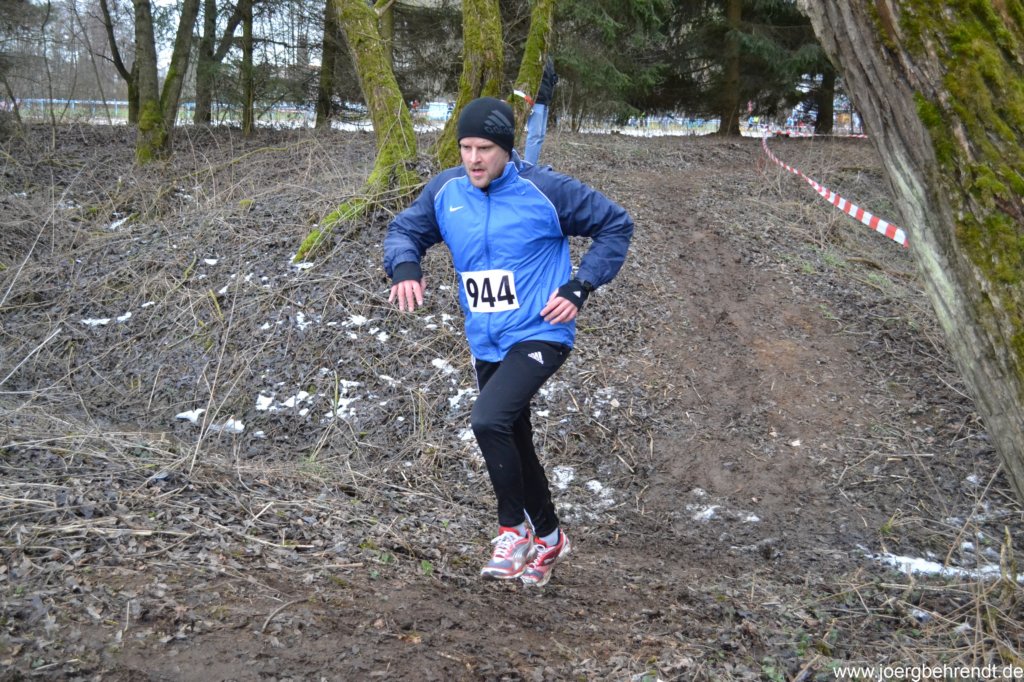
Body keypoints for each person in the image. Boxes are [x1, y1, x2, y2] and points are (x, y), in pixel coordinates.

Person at [383, 97, 634, 587]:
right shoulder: (447, 192)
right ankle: (550, 537)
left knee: (487, 419)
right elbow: (404, 229)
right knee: (512, 435)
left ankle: (513, 532)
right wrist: (405, 265)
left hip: (541, 330)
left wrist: (581, 285)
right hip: (487, 338)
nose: (474, 159)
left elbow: (615, 224)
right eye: (466, 148)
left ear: (506, 148)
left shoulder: (546, 190)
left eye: (485, 149)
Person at [522, 57, 558, 165]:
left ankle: (533, 165)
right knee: (534, 135)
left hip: (545, 101)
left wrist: (554, 78)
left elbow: (549, 79)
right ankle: (528, 166)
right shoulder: (537, 54)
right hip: (536, 100)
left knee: (541, 136)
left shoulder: (549, 58)